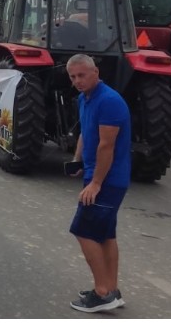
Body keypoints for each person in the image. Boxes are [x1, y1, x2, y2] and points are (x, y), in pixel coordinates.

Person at [66, 53, 131, 313]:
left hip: (108, 180)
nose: (78, 81)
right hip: (97, 174)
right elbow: (86, 131)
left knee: (83, 230)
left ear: (95, 72)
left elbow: (107, 146)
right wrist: (77, 160)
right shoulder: (85, 98)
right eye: (73, 77)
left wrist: (95, 183)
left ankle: (102, 293)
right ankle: (112, 289)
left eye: (82, 75)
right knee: (105, 234)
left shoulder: (110, 101)